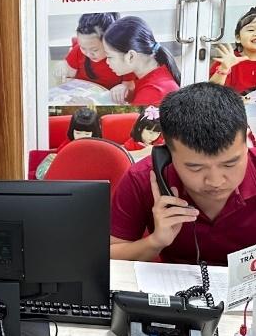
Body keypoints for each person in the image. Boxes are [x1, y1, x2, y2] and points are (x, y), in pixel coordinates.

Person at [110, 83, 256, 265]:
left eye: (230, 163)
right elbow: (109, 255)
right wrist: (155, 242)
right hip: (177, 290)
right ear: (167, 154)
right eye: (195, 167)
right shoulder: (142, 178)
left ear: (248, 142)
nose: (215, 181)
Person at [102, 16, 181, 106]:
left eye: (109, 56)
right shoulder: (158, 73)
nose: (107, 62)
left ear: (131, 56)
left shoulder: (153, 92)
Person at [55, 13, 133, 90]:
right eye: (83, 48)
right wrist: (63, 69)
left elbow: (129, 87)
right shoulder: (77, 50)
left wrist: (123, 88)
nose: (88, 54)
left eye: (94, 50)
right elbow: (68, 75)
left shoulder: (124, 59)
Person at [35, 108, 101, 180]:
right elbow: (42, 176)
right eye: (78, 133)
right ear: (72, 131)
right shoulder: (66, 147)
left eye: (87, 133)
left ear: (94, 133)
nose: (81, 137)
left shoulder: (101, 148)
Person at [210, 7, 256, 94]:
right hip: (234, 106)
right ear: (238, 38)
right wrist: (224, 68)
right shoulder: (228, 60)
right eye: (251, 30)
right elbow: (212, 92)